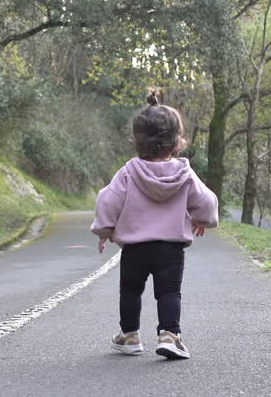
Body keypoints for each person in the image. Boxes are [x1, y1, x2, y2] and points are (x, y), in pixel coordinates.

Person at [90, 90, 219, 360]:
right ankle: (170, 336)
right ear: (177, 141)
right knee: (169, 292)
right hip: (171, 249)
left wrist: (104, 230)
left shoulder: (129, 171)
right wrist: (202, 219)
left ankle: (129, 336)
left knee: (130, 291)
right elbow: (206, 201)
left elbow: (108, 199)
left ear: (137, 140)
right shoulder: (184, 172)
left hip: (135, 248)